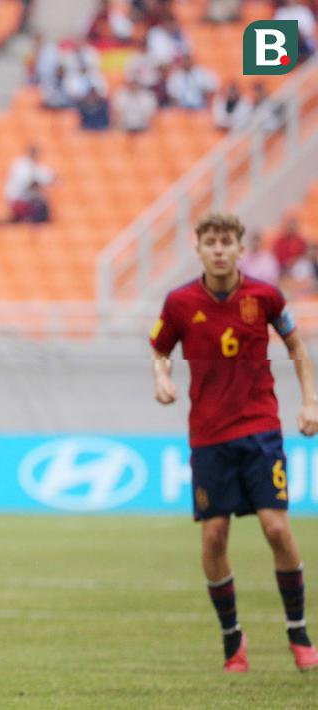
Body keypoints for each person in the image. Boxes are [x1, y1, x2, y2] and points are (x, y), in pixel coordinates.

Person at [150, 212, 318, 673]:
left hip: (260, 427)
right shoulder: (180, 302)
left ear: (241, 248)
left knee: (277, 528)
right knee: (215, 535)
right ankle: (232, 639)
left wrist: (310, 402)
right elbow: (160, 349)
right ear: (199, 249)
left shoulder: (265, 296)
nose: (219, 249)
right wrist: (162, 379)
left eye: (227, 241)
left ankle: (298, 632)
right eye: (211, 242)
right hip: (208, 436)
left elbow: (297, 349)